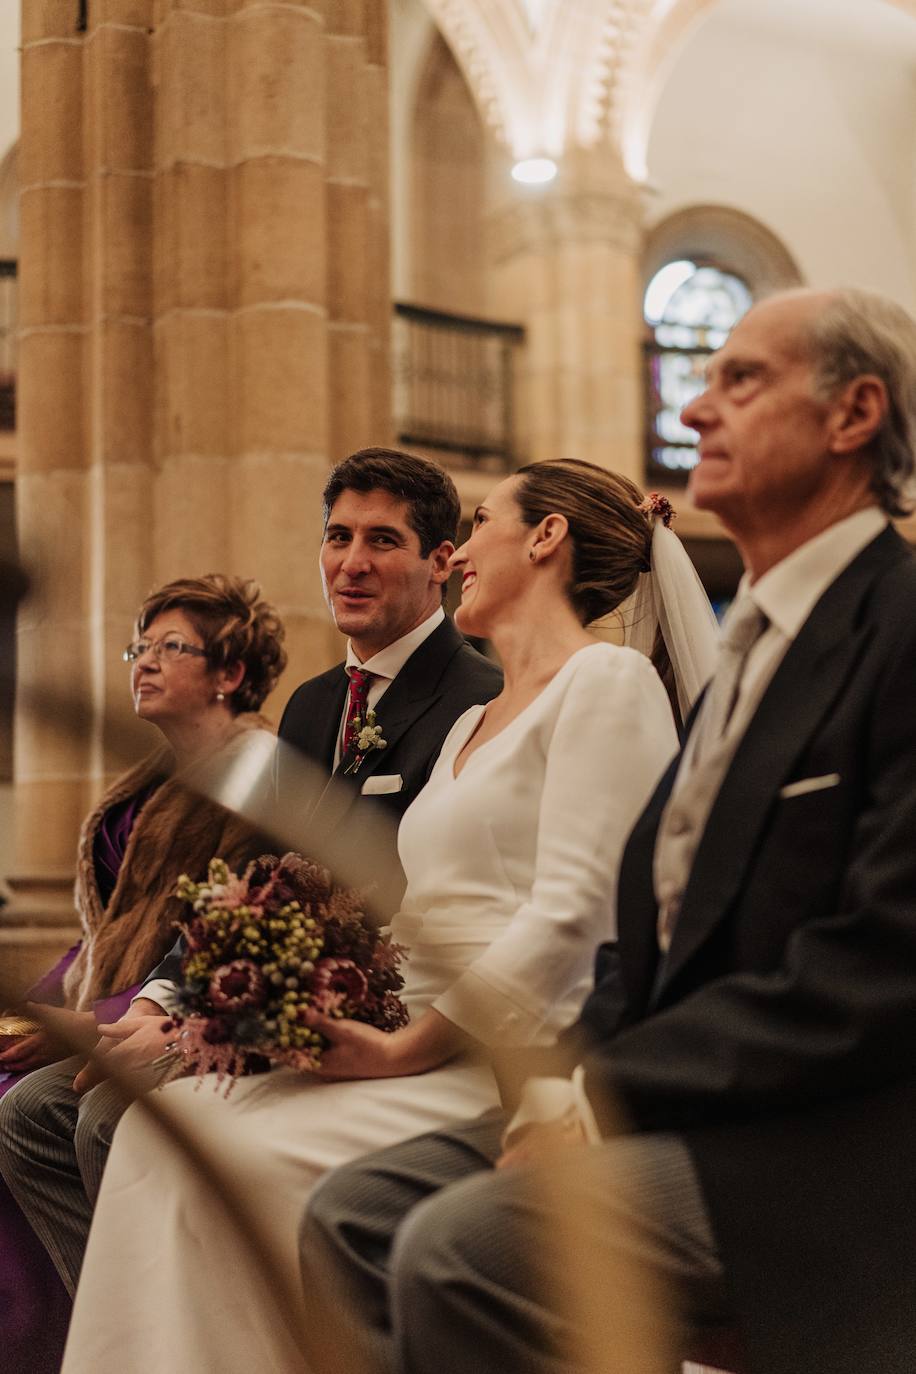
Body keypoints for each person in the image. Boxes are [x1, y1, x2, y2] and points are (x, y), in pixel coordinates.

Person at [302, 286, 916, 1374]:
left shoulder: (897, 627)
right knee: (351, 1214)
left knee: (456, 1248)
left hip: (828, 1141)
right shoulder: (755, 646)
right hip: (687, 1100)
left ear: (852, 415)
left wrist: (604, 1091)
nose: (691, 413)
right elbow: (651, 934)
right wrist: (567, 1083)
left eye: (740, 381)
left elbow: (879, 964)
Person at [55, 458, 717, 1374]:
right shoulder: (466, 727)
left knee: (230, 1163)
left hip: (493, 1051)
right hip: (403, 1017)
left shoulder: (605, 682)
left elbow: (581, 910)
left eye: (484, 521)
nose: (465, 551)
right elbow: (403, 905)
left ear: (546, 538)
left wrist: (413, 1044)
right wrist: (315, 999)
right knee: (165, 1141)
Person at [0, 573, 287, 1374]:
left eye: (171, 647)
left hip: (166, 1009)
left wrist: (82, 1026)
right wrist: (36, 1010)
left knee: (22, 1109)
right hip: (109, 994)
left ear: (231, 673)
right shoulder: (152, 775)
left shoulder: (256, 772)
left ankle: (87, 1339)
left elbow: (212, 936)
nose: (144, 663)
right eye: (139, 647)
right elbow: (102, 935)